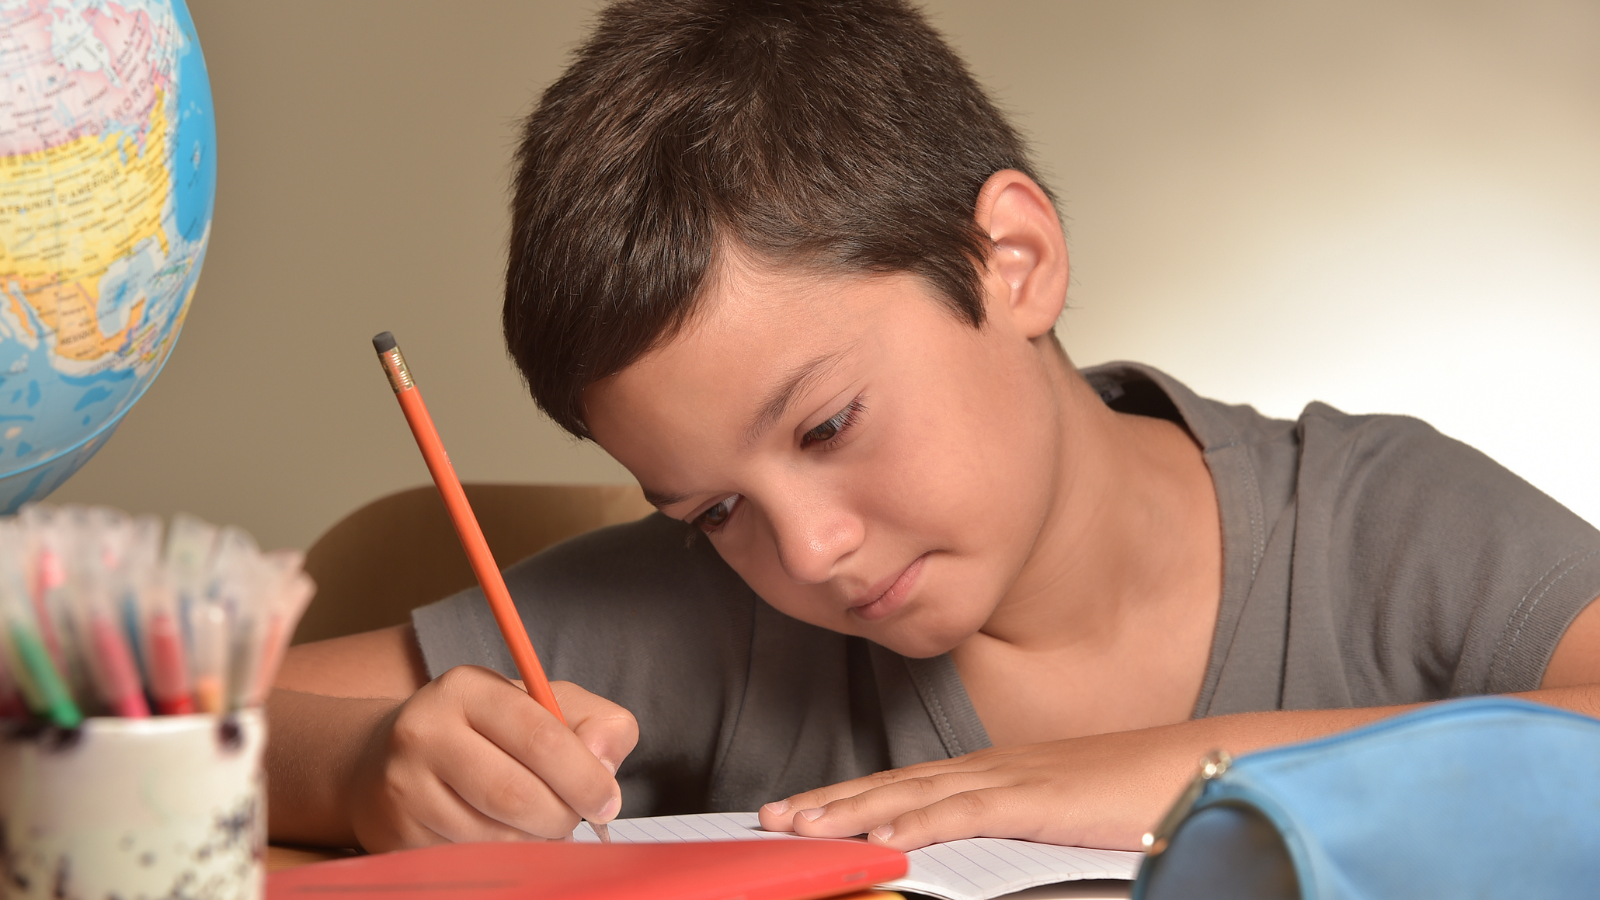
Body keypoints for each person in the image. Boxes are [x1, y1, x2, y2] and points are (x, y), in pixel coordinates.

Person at [265, 0, 1600, 854]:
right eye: (712, 512)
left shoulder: (1387, 527)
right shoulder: (709, 617)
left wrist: (1165, 779)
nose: (807, 552)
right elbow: (94, 736)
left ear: (1012, 259)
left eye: (829, 424)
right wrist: (358, 768)